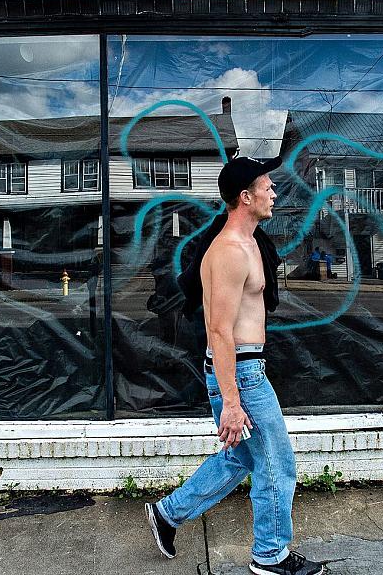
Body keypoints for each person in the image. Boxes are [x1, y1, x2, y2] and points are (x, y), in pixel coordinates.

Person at [146, 157, 326, 575]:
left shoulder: (249, 243)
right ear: (246, 197)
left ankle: (168, 514)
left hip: (246, 370)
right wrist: (231, 400)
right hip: (241, 375)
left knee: (243, 459)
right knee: (276, 465)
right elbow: (219, 330)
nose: (274, 192)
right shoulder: (228, 251)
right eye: (267, 186)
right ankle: (270, 556)